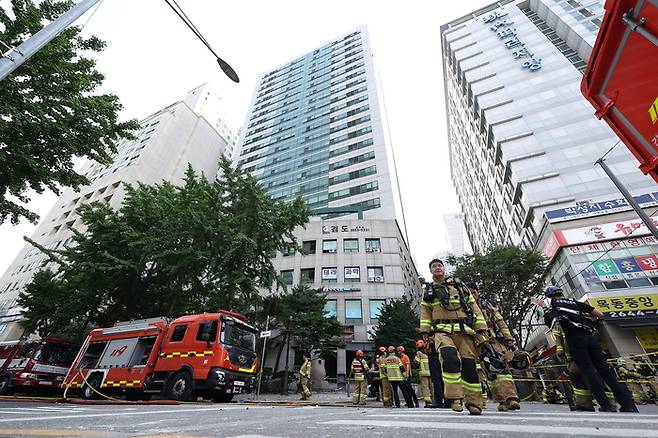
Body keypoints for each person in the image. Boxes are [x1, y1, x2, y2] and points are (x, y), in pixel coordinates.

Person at [534, 285, 638, 413]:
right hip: (591, 339)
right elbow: (599, 314)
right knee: (606, 372)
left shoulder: (555, 306)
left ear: (550, 296)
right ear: (561, 292)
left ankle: (606, 405)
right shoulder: (576, 303)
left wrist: (544, 307)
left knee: (589, 373)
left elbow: (551, 322)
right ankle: (627, 405)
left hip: (576, 341)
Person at [419, 259, 489, 415]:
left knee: (469, 366)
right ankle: (455, 398)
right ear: (431, 272)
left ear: (444, 269)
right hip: (441, 331)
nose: (437, 268)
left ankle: (474, 402)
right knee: (449, 358)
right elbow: (425, 312)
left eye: (439, 266)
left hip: (463, 330)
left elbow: (473, 307)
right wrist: (425, 331)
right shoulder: (429, 291)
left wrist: (481, 328)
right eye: (434, 267)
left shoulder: (459, 286)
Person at [467, 282, 520, 412]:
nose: (473, 295)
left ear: (478, 292)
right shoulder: (465, 307)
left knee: (502, 368)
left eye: (474, 292)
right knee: (490, 373)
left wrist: (508, 338)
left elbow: (500, 321)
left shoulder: (488, 306)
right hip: (479, 342)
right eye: (470, 293)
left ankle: (511, 397)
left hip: (495, 339)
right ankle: (501, 400)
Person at [425, 334, 445, 408]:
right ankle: (448, 400)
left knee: (437, 379)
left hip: (435, 356)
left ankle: (438, 401)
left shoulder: (435, 334)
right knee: (443, 379)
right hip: (440, 355)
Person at [414, 340, 433, 407]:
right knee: (432, 387)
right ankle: (434, 400)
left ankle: (428, 401)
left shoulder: (419, 353)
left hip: (423, 373)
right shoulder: (429, 352)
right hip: (431, 372)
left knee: (425, 387)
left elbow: (416, 362)